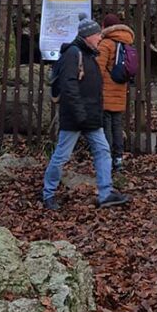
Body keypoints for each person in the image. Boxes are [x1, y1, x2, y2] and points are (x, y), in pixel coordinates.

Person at [43, 13, 129, 211]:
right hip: (75, 117)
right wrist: (80, 114)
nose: (100, 37)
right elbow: (69, 86)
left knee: (102, 151)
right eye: (97, 34)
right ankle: (48, 193)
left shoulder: (90, 54)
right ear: (88, 35)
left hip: (90, 116)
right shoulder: (73, 54)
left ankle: (106, 193)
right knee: (61, 156)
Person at [97, 13, 135, 170]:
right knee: (117, 125)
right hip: (120, 89)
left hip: (106, 91)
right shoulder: (126, 42)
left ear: (105, 26)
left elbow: (98, 67)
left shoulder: (106, 44)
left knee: (106, 125)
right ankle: (118, 158)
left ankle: (107, 157)